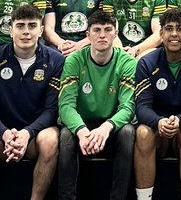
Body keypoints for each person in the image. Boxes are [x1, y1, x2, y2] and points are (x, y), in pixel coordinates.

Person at [0, 4, 64, 200]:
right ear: (10, 30)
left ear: (41, 30)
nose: (26, 31)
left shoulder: (56, 60)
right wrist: (5, 134)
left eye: (32, 25)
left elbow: (52, 110)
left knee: (51, 140)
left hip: (34, 135)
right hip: (0, 136)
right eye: (20, 26)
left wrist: (27, 133)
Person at [57, 11, 138, 200]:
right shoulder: (74, 61)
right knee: (65, 136)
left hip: (111, 127)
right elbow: (66, 105)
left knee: (128, 132)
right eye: (97, 30)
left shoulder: (127, 62)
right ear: (88, 35)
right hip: (83, 127)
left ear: (116, 34)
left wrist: (107, 127)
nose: (102, 35)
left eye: (108, 30)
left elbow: (128, 106)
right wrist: (82, 131)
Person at [133, 8, 181, 200]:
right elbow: (142, 107)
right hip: (157, 129)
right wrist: (159, 122)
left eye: (180, 29)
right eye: (168, 29)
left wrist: (180, 120)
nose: (174, 34)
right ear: (161, 34)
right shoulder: (146, 62)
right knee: (142, 133)